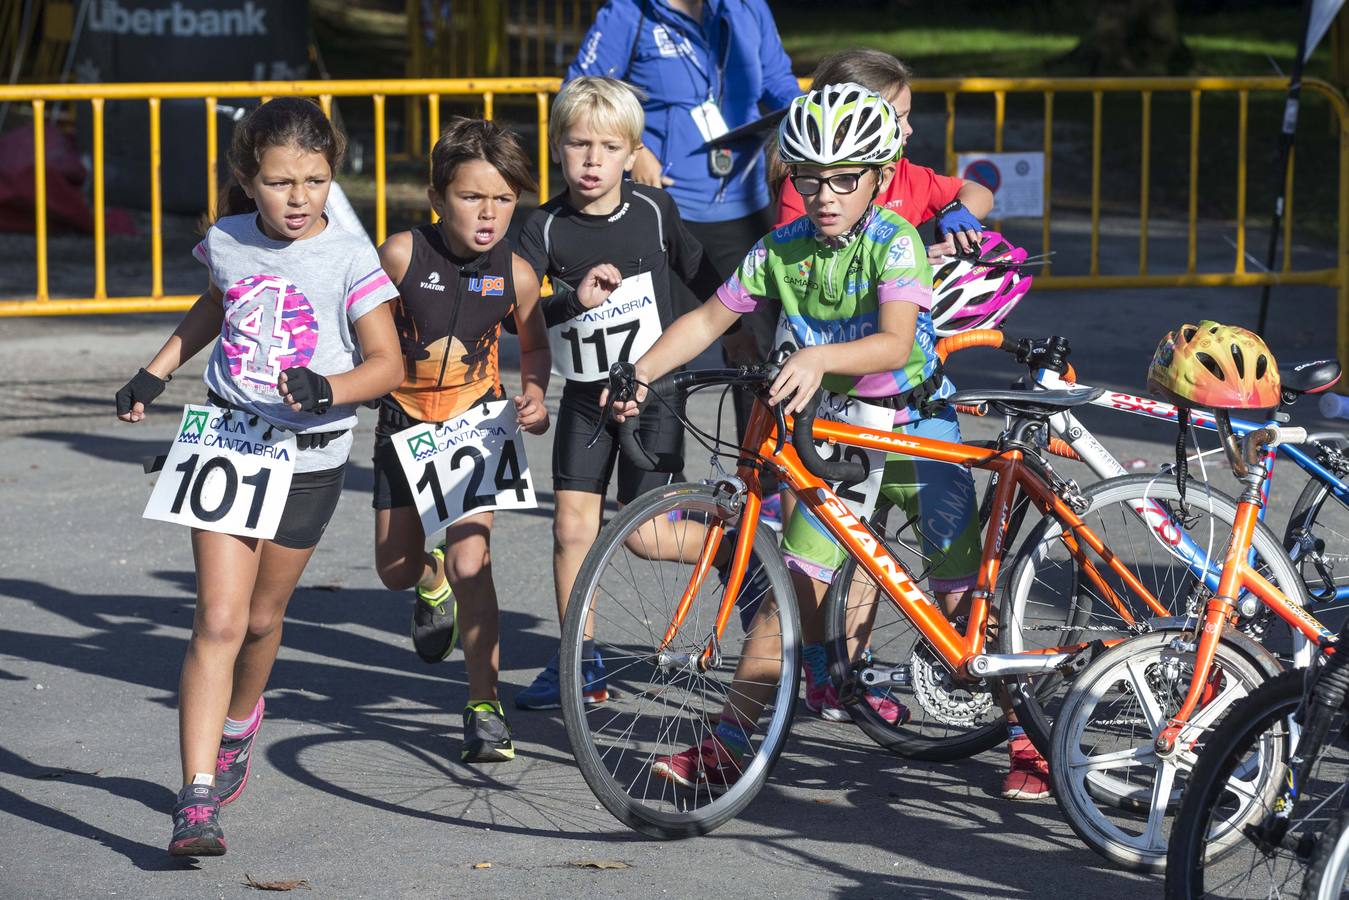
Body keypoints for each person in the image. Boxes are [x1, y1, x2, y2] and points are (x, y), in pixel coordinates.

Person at [607, 83, 1009, 796]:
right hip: (841, 438)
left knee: (959, 600)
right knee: (790, 593)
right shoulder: (779, 250)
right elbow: (706, 322)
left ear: (880, 178)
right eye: (808, 179)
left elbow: (890, 344)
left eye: (845, 180)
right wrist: (637, 371)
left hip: (918, 432)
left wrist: (819, 358)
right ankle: (728, 745)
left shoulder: (896, 241)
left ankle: (1030, 737)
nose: (825, 195)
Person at [114, 97, 403, 856]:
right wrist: (155, 371)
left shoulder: (349, 256)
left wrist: (327, 389)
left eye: (313, 180)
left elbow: (387, 365)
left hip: (310, 459)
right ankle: (196, 798)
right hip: (229, 443)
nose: (298, 198)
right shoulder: (227, 240)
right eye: (280, 182)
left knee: (263, 621)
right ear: (248, 179)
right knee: (218, 619)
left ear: (331, 176)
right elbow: (215, 305)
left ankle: (243, 718)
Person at [512, 76, 726, 711]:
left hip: (651, 395)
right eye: (578, 144)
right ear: (557, 148)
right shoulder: (545, 226)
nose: (591, 160)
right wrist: (568, 301)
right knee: (570, 528)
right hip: (585, 397)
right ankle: (580, 656)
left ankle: (738, 547)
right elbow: (516, 313)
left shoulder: (655, 211)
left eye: (608, 147)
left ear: (632, 153)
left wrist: (745, 330)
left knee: (647, 535)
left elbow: (706, 278)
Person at [372, 117, 551, 764]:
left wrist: (533, 393)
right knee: (393, 568)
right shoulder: (399, 255)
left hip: (478, 421)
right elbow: (363, 333)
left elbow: (532, 344)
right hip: (403, 421)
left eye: (503, 199)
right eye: (472, 196)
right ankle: (428, 579)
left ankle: (483, 705)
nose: (489, 213)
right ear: (437, 197)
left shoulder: (517, 273)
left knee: (475, 562)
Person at [567, 0, 801, 437]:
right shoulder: (628, 13)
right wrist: (636, 153)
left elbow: (777, 83)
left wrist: (807, 123)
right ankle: (661, 481)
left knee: (758, 352)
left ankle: (763, 483)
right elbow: (580, 93)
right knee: (665, 349)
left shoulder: (746, 8)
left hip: (745, 205)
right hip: (667, 210)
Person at [772, 49, 994, 262]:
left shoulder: (903, 176)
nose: (909, 129)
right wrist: (901, 262)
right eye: (898, 117)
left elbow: (978, 193)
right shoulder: (810, 186)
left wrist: (956, 213)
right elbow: (794, 259)